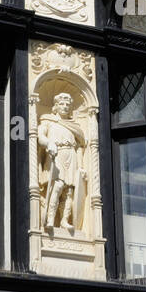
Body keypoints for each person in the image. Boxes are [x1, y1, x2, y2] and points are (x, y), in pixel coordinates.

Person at [38, 92, 87, 231]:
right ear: (56, 106)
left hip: (71, 156)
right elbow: (40, 136)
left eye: (68, 105)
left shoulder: (74, 125)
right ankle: (50, 219)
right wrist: (48, 143)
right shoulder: (47, 120)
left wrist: (81, 166)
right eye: (62, 104)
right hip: (56, 154)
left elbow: (79, 147)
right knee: (57, 186)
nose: (65, 107)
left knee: (69, 191)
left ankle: (64, 220)